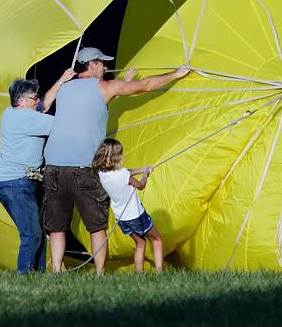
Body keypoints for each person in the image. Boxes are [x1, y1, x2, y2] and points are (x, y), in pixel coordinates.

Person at [42, 46, 190, 274]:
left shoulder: (64, 88)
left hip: (53, 165)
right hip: (83, 166)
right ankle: (100, 273)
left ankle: (56, 273)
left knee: (57, 226)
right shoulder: (105, 86)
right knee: (96, 225)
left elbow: (50, 106)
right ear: (92, 65)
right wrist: (175, 74)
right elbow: (145, 86)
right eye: (102, 63)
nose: (106, 66)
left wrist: (116, 84)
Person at [0, 68, 76, 273]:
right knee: (32, 234)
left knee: (36, 232)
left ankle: (36, 276)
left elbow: (44, 105)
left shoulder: (11, 113)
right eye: (34, 98)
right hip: (16, 184)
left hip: (16, 182)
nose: (37, 101)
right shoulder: (25, 119)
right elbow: (61, 124)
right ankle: (25, 277)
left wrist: (61, 80)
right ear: (21, 101)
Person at [93, 138, 163, 272]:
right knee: (156, 240)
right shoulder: (122, 174)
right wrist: (145, 175)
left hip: (121, 219)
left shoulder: (102, 173)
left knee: (140, 243)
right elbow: (140, 186)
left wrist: (142, 169)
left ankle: (139, 274)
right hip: (136, 215)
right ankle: (160, 272)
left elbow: (125, 173)